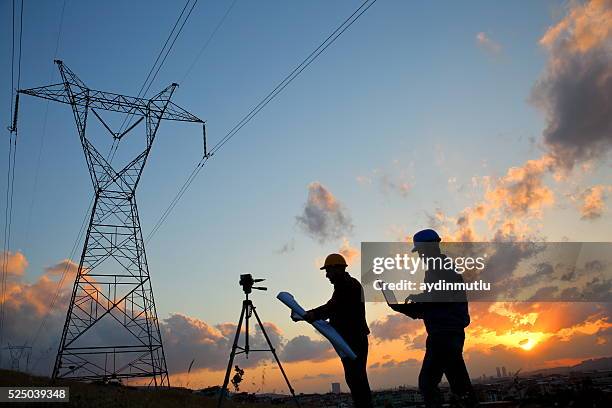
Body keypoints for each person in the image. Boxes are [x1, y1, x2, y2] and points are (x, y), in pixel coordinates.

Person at [390, 229, 477, 408]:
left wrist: (419, 298)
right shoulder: (438, 268)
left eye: (421, 251)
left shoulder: (441, 268)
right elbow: (433, 306)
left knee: (429, 383)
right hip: (444, 333)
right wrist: (406, 309)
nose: (420, 255)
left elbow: (441, 298)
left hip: (444, 334)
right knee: (457, 384)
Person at [302, 253, 373, 408]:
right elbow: (333, 306)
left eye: (328, 271)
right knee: (355, 378)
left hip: (354, 339)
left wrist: (311, 314)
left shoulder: (348, 285)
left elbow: (333, 307)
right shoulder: (345, 285)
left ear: (337, 269)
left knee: (357, 378)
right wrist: (310, 314)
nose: (327, 275)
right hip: (350, 339)